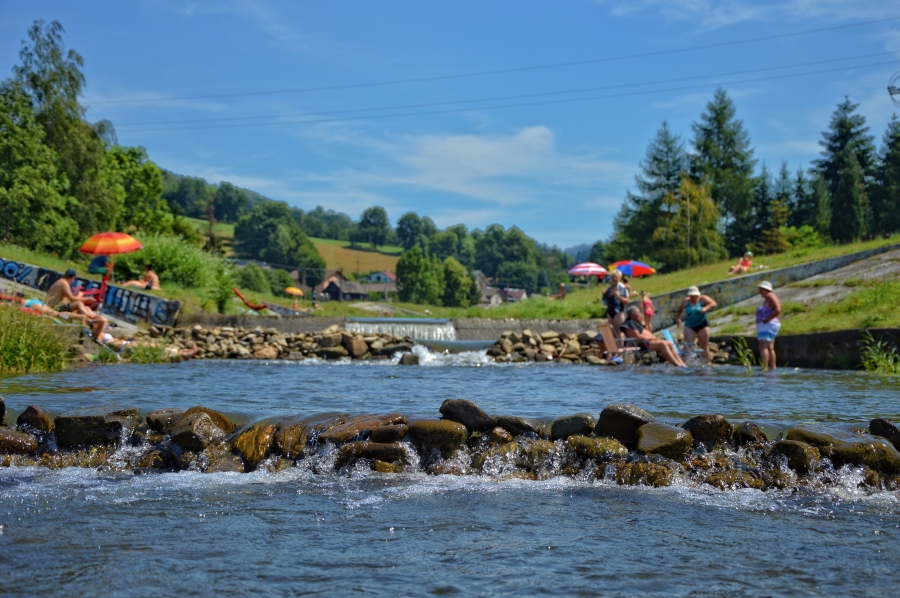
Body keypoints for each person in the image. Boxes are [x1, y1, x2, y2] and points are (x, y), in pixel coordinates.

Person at [44, 269, 108, 338]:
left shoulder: (61, 282)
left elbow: (68, 302)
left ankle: (92, 322)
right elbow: (72, 299)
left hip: (55, 307)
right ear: (73, 278)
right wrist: (87, 299)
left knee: (86, 307)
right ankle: (91, 321)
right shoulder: (63, 283)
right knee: (78, 304)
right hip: (53, 308)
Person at [620, 306, 687, 367]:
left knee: (670, 343)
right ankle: (677, 364)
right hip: (641, 344)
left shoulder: (636, 322)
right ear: (632, 314)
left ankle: (682, 363)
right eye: (638, 312)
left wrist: (643, 322)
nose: (640, 314)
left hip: (647, 342)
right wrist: (652, 338)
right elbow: (638, 337)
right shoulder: (629, 323)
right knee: (663, 344)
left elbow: (646, 331)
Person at [675, 286, 718, 363]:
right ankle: (681, 364)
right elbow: (680, 309)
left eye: (694, 296)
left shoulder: (703, 299)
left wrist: (705, 308)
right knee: (687, 346)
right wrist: (678, 318)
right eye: (691, 296)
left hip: (702, 324)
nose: (692, 298)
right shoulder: (686, 301)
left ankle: (706, 364)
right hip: (690, 325)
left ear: (698, 295)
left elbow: (713, 303)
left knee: (704, 346)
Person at [756, 280, 782, 370]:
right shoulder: (768, 298)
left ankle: (765, 368)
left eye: (761, 290)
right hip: (769, 325)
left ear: (765, 289)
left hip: (768, 325)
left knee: (762, 347)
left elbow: (778, 309)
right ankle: (772, 368)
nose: (759, 292)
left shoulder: (771, 296)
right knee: (770, 348)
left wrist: (766, 320)